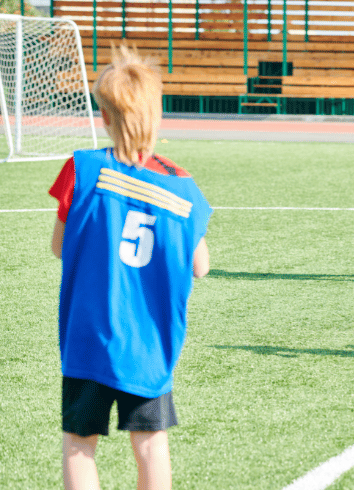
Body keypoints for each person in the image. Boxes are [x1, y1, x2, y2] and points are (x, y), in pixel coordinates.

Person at [48, 45, 212, 490]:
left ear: (105, 116)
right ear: (156, 115)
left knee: (80, 444)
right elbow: (201, 267)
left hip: (89, 339)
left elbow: (59, 248)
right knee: (151, 444)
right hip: (149, 345)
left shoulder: (82, 170)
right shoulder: (182, 188)